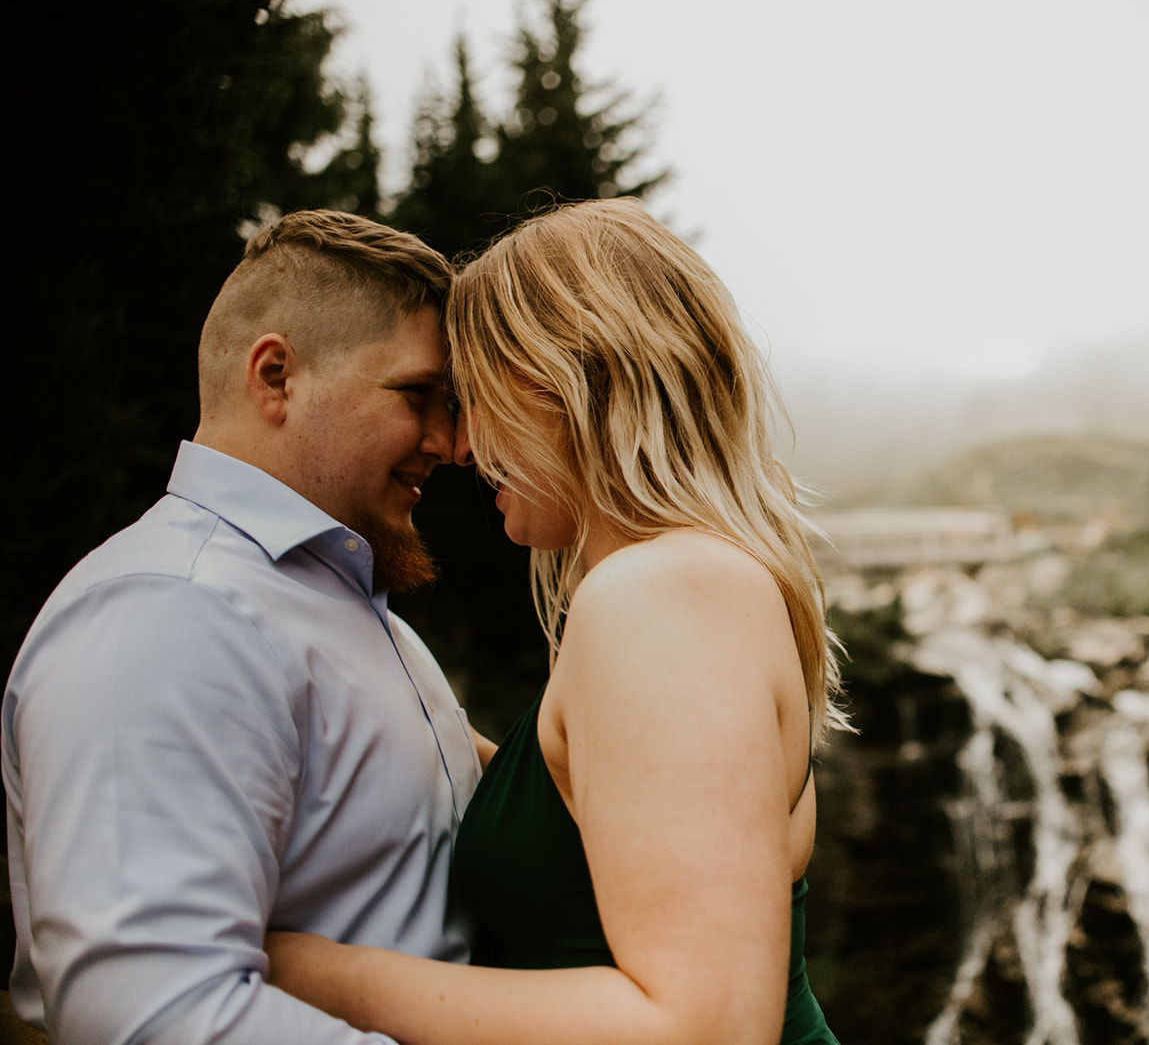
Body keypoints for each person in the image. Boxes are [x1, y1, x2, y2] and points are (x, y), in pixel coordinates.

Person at [265, 198, 849, 1044]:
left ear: (566, 381)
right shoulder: (695, 583)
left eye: (475, 394)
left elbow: (708, 1028)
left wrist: (319, 974)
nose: (460, 446)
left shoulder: (661, 593)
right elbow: (596, 819)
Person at [2, 210, 485, 1043]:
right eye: (418, 396)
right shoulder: (171, 612)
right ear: (275, 377)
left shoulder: (353, 614)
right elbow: (154, 1015)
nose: (451, 444)